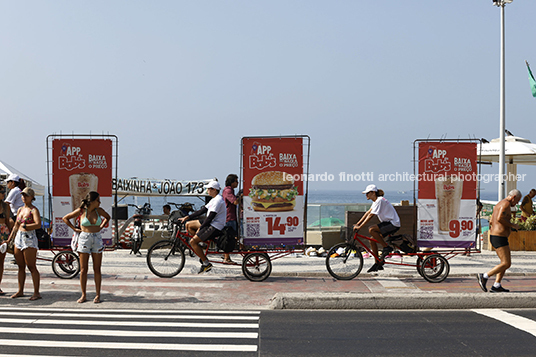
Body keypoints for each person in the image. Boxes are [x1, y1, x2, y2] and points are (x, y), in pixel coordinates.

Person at [62, 191, 110, 303]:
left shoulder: (99, 211)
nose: (100, 202)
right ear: (92, 201)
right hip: (84, 238)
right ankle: (83, 295)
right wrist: (74, 229)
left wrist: (101, 227)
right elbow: (65, 218)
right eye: (98, 200)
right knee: (83, 269)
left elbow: (108, 217)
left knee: (97, 268)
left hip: (97, 238)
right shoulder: (82, 210)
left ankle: (98, 295)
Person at [477, 189, 522, 293]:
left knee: (503, 263)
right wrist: (512, 225)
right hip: (499, 237)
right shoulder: (505, 204)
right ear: (513, 197)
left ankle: (497, 285)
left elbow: (492, 220)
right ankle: (484, 276)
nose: (517, 203)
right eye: (517, 200)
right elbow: (499, 218)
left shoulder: (499, 204)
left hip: (496, 236)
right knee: (507, 263)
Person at [179, 180, 226, 273]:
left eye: (209, 189)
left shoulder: (218, 200)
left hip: (215, 226)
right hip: (211, 223)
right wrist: (188, 217)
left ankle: (206, 263)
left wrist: (201, 228)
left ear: (214, 190)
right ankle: (201, 244)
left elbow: (210, 217)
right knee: (188, 224)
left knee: (192, 242)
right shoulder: (213, 199)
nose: (207, 190)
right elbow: (202, 211)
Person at [353, 184, 401, 273]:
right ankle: (377, 263)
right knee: (372, 240)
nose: (366, 195)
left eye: (367, 193)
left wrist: (360, 227)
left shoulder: (379, 200)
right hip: (387, 223)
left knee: (371, 229)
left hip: (393, 223)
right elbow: (368, 212)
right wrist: (358, 223)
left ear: (373, 193)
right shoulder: (376, 201)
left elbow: (371, 215)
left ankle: (386, 247)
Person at [7, 187, 41, 300]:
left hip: (29, 237)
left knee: (31, 266)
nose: (24, 197)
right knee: (20, 266)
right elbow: (16, 225)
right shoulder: (20, 210)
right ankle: (20, 290)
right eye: (22, 195)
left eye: (26, 195)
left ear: (32, 197)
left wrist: (26, 226)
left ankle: (36, 292)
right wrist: (9, 239)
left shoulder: (34, 210)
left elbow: (38, 224)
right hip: (19, 238)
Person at [222, 174, 239, 264]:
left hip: (232, 216)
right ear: (232, 182)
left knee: (232, 236)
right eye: (236, 181)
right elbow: (235, 202)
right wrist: (241, 197)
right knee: (229, 236)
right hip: (229, 217)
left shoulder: (230, 190)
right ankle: (226, 257)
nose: (238, 183)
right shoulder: (228, 191)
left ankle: (226, 255)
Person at [0, 185, 14, 296]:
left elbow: (8, 221)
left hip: (3, 233)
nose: (4, 193)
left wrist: (11, 238)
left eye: (4, 191)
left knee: (1, 262)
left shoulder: (6, 206)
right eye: (1, 191)